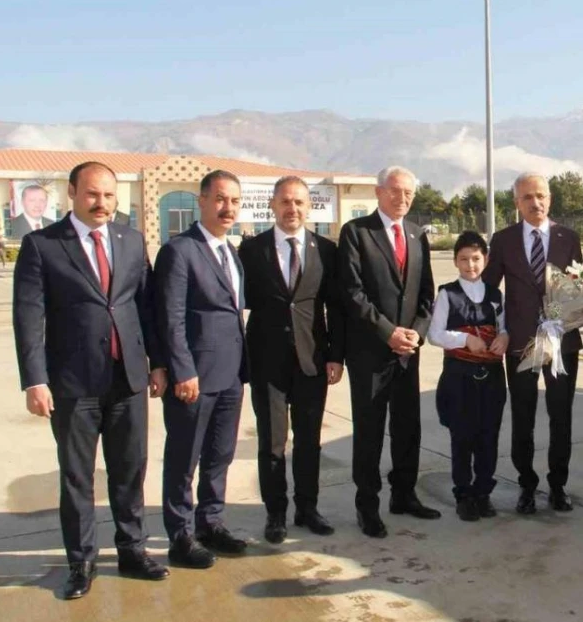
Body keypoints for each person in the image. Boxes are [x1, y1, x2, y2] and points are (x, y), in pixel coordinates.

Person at [12, 161, 170, 599]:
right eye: (92, 195)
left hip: (128, 381)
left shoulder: (131, 240)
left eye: (109, 196)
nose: (102, 204)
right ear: (72, 193)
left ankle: (133, 551)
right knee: (78, 478)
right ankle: (81, 563)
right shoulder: (42, 246)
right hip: (71, 386)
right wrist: (34, 381)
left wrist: (157, 363)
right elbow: (28, 317)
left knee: (129, 472)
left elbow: (147, 306)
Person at [238, 176, 345, 544]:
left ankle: (308, 507)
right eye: (285, 201)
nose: (292, 209)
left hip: (312, 361)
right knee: (272, 442)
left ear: (309, 207)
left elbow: (336, 309)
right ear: (272, 205)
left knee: (309, 441)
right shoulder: (251, 251)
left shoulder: (326, 250)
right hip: (267, 362)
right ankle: (275, 513)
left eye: (299, 202)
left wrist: (336, 356)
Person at [155, 170, 249, 569]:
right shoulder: (180, 250)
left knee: (219, 455)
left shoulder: (232, 252)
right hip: (194, 377)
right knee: (184, 458)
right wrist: (182, 370)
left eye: (235, 201)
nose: (228, 208)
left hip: (230, 375)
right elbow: (170, 318)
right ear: (203, 200)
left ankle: (210, 523)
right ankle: (180, 537)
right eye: (220, 200)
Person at [340, 165, 439, 539]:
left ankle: (404, 494)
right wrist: (387, 332)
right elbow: (351, 292)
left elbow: (426, 293)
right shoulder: (357, 233)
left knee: (407, 428)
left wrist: (417, 332)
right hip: (370, 353)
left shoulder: (416, 236)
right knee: (369, 432)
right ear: (379, 192)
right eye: (396, 191)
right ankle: (368, 506)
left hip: (407, 353)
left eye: (409, 194)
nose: (403, 199)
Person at [483, 172, 583, 515]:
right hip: (520, 344)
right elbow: (489, 290)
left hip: (563, 344)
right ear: (517, 203)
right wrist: (498, 329)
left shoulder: (568, 238)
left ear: (550, 199)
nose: (535, 202)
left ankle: (558, 486)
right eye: (527, 197)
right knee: (522, 417)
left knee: (561, 417)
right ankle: (526, 485)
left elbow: (581, 286)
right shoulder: (504, 240)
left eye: (540, 195)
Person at [427, 230, 509, 521]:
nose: (470, 264)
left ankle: (483, 492)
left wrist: (505, 337)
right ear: (455, 261)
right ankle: (463, 494)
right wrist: (465, 340)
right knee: (462, 437)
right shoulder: (447, 293)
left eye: (476, 258)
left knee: (489, 436)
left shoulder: (495, 294)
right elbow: (434, 335)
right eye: (463, 259)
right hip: (459, 376)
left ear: (485, 260)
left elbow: (503, 327)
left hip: (492, 376)